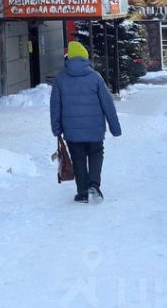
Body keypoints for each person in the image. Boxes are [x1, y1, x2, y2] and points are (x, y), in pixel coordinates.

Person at [50, 41, 122, 203]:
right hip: (95, 129)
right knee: (96, 153)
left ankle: (82, 192)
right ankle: (94, 185)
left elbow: (55, 106)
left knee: (78, 158)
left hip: (72, 131)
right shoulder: (95, 77)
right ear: (85, 58)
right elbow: (108, 104)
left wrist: (56, 128)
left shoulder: (61, 79)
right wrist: (115, 128)